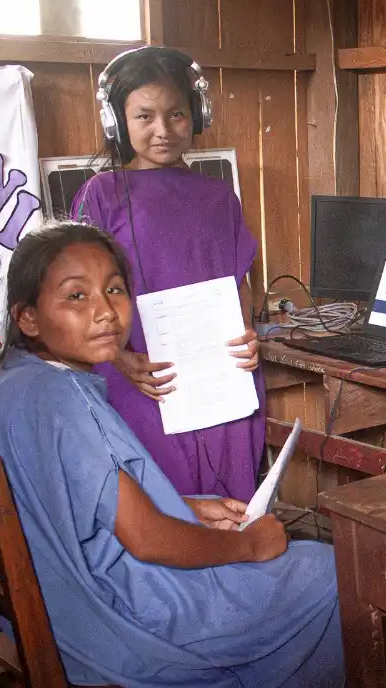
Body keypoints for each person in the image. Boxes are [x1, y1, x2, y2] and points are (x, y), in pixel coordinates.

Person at [0, 221, 350, 688]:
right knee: (326, 573)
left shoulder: (15, 380)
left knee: (262, 554)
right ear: (28, 317)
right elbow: (146, 540)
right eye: (76, 295)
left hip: (42, 609)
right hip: (101, 619)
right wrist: (250, 548)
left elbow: (69, 499)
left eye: (115, 289)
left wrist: (188, 505)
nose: (104, 310)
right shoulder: (64, 400)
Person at [72, 46, 264, 502]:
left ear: (196, 115)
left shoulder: (219, 197)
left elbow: (239, 283)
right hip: (141, 377)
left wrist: (249, 332)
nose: (162, 130)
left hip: (221, 378)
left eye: (176, 114)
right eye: (144, 117)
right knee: (164, 509)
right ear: (117, 122)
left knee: (234, 505)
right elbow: (77, 297)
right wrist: (120, 359)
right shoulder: (100, 195)